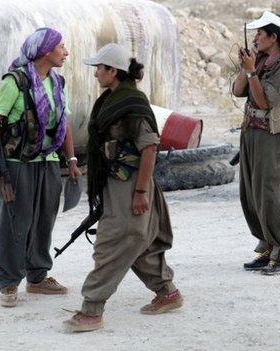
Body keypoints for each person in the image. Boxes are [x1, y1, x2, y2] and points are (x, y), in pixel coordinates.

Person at [63, 43, 182, 333]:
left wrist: (140, 192)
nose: (96, 75)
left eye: (99, 69)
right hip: (115, 185)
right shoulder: (111, 101)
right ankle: (167, 293)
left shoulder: (133, 106)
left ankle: (92, 309)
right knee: (137, 245)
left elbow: (150, 148)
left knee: (114, 244)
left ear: (112, 71)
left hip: (130, 187)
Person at [0, 27, 81, 307]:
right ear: (46, 51)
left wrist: (71, 159)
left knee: (43, 221)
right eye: (61, 47)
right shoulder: (15, 82)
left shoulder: (57, 82)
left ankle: (37, 277)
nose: (66, 52)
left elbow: (64, 123)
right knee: (14, 222)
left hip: (47, 163)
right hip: (17, 165)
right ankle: (9, 282)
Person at [232, 11, 280, 275]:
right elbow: (239, 92)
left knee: (272, 195)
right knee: (252, 193)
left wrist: (252, 74)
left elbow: (264, 102)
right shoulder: (260, 61)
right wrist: (246, 68)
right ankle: (267, 247)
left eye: (261, 34)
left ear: (274, 37)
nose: (256, 38)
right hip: (252, 135)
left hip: (274, 138)